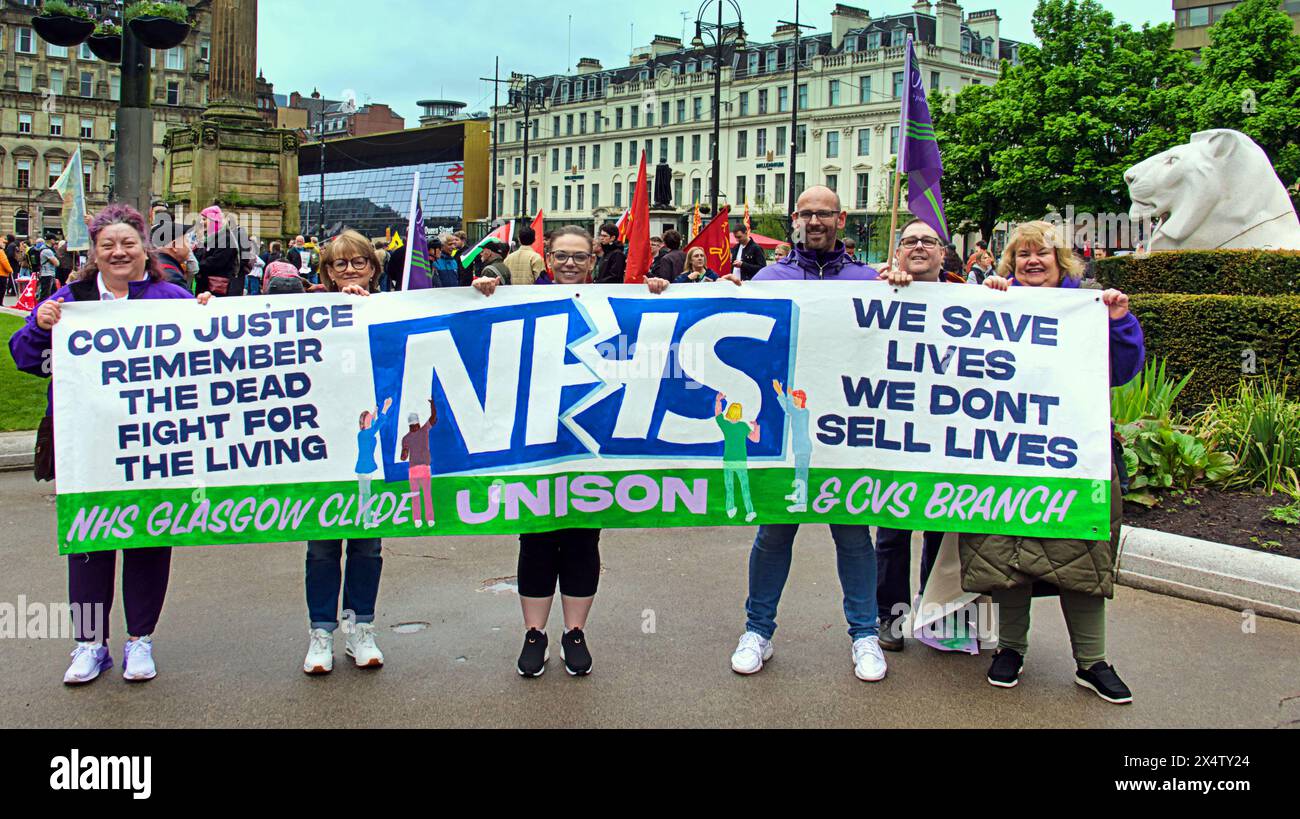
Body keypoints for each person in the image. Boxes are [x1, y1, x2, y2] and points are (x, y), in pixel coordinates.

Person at [648, 186, 887, 682]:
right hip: (785, 428)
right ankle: (758, 630)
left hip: (845, 432)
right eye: (806, 214)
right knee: (774, 533)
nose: (815, 221)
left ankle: (865, 634)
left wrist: (909, 281)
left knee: (854, 537)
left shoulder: (871, 280)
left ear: (841, 219)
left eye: (824, 213)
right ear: (795, 220)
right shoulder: (768, 277)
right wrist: (665, 291)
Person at [8, 204, 208, 685]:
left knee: (148, 540)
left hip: (154, 441)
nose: (119, 252)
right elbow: (23, 355)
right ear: (95, 253)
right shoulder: (71, 298)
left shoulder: (172, 296)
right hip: (88, 443)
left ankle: (140, 640)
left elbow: (208, 358)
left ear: (145, 247)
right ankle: (89, 645)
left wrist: (207, 319)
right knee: (90, 542)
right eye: (107, 246)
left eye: (128, 244)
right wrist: (40, 325)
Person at [969, 220, 1144, 704]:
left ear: (1060, 259)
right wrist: (988, 301)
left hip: (1073, 455)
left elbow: (1125, 370)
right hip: (1004, 452)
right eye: (1022, 254)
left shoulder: (1089, 307)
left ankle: (1092, 662)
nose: (1032, 261)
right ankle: (1009, 649)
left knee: (1081, 554)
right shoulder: (997, 299)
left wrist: (1120, 322)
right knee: (1004, 551)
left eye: (1042, 253)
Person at [472, 226, 601, 677]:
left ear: (593, 261)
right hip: (533, 439)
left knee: (583, 537)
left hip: (590, 440)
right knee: (537, 537)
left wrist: (659, 291)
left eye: (579, 257)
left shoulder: (615, 301)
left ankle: (575, 633)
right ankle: (534, 633)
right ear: (548, 259)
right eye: (562, 255)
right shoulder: (519, 297)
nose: (570, 263)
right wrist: (483, 290)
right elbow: (477, 326)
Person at [302, 229, 388, 675]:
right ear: (327, 272)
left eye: (359, 262)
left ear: (374, 268)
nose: (350, 270)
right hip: (322, 445)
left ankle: (360, 627)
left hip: (369, 448)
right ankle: (321, 632)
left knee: (367, 545)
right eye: (340, 264)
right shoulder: (304, 310)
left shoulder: (395, 307)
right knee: (321, 545)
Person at [871, 218, 959, 650]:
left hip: (946, 436)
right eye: (909, 242)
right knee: (892, 533)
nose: (918, 247)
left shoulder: (971, 297)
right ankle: (890, 616)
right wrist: (881, 286)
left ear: (943, 253)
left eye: (928, 241)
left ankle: (936, 613)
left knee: (940, 533)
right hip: (894, 432)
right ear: (897, 252)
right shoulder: (880, 290)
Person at [399, 400, 437, 528]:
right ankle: (430, 519)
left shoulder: (406, 438)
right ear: (418, 423)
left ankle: (417, 520)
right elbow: (433, 418)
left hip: (413, 470)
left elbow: (404, 456)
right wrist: (433, 404)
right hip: (425, 468)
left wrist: (404, 453)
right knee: (427, 494)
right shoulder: (424, 430)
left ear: (409, 425)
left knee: (416, 495)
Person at [194, 206, 244, 297]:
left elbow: (217, 261)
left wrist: (196, 265)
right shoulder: (208, 238)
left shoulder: (225, 238)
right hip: (205, 286)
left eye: (204, 219)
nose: (201, 222)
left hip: (216, 288)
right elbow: (200, 255)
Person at [150, 217, 194, 289]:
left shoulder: (156, 264)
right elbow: (186, 299)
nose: (190, 246)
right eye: (187, 241)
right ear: (174, 246)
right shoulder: (172, 277)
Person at [32, 236, 59, 301]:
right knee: (46, 294)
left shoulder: (39, 250)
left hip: (43, 273)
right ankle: (41, 306)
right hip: (48, 274)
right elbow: (57, 263)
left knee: (49, 292)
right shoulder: (47, 251)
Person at [0, 235, 12, 307]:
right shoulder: (1, 252)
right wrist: (10, 270)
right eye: (3, 243)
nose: (5, 244)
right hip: (2, 274)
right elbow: (5, 262)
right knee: (1, 290)